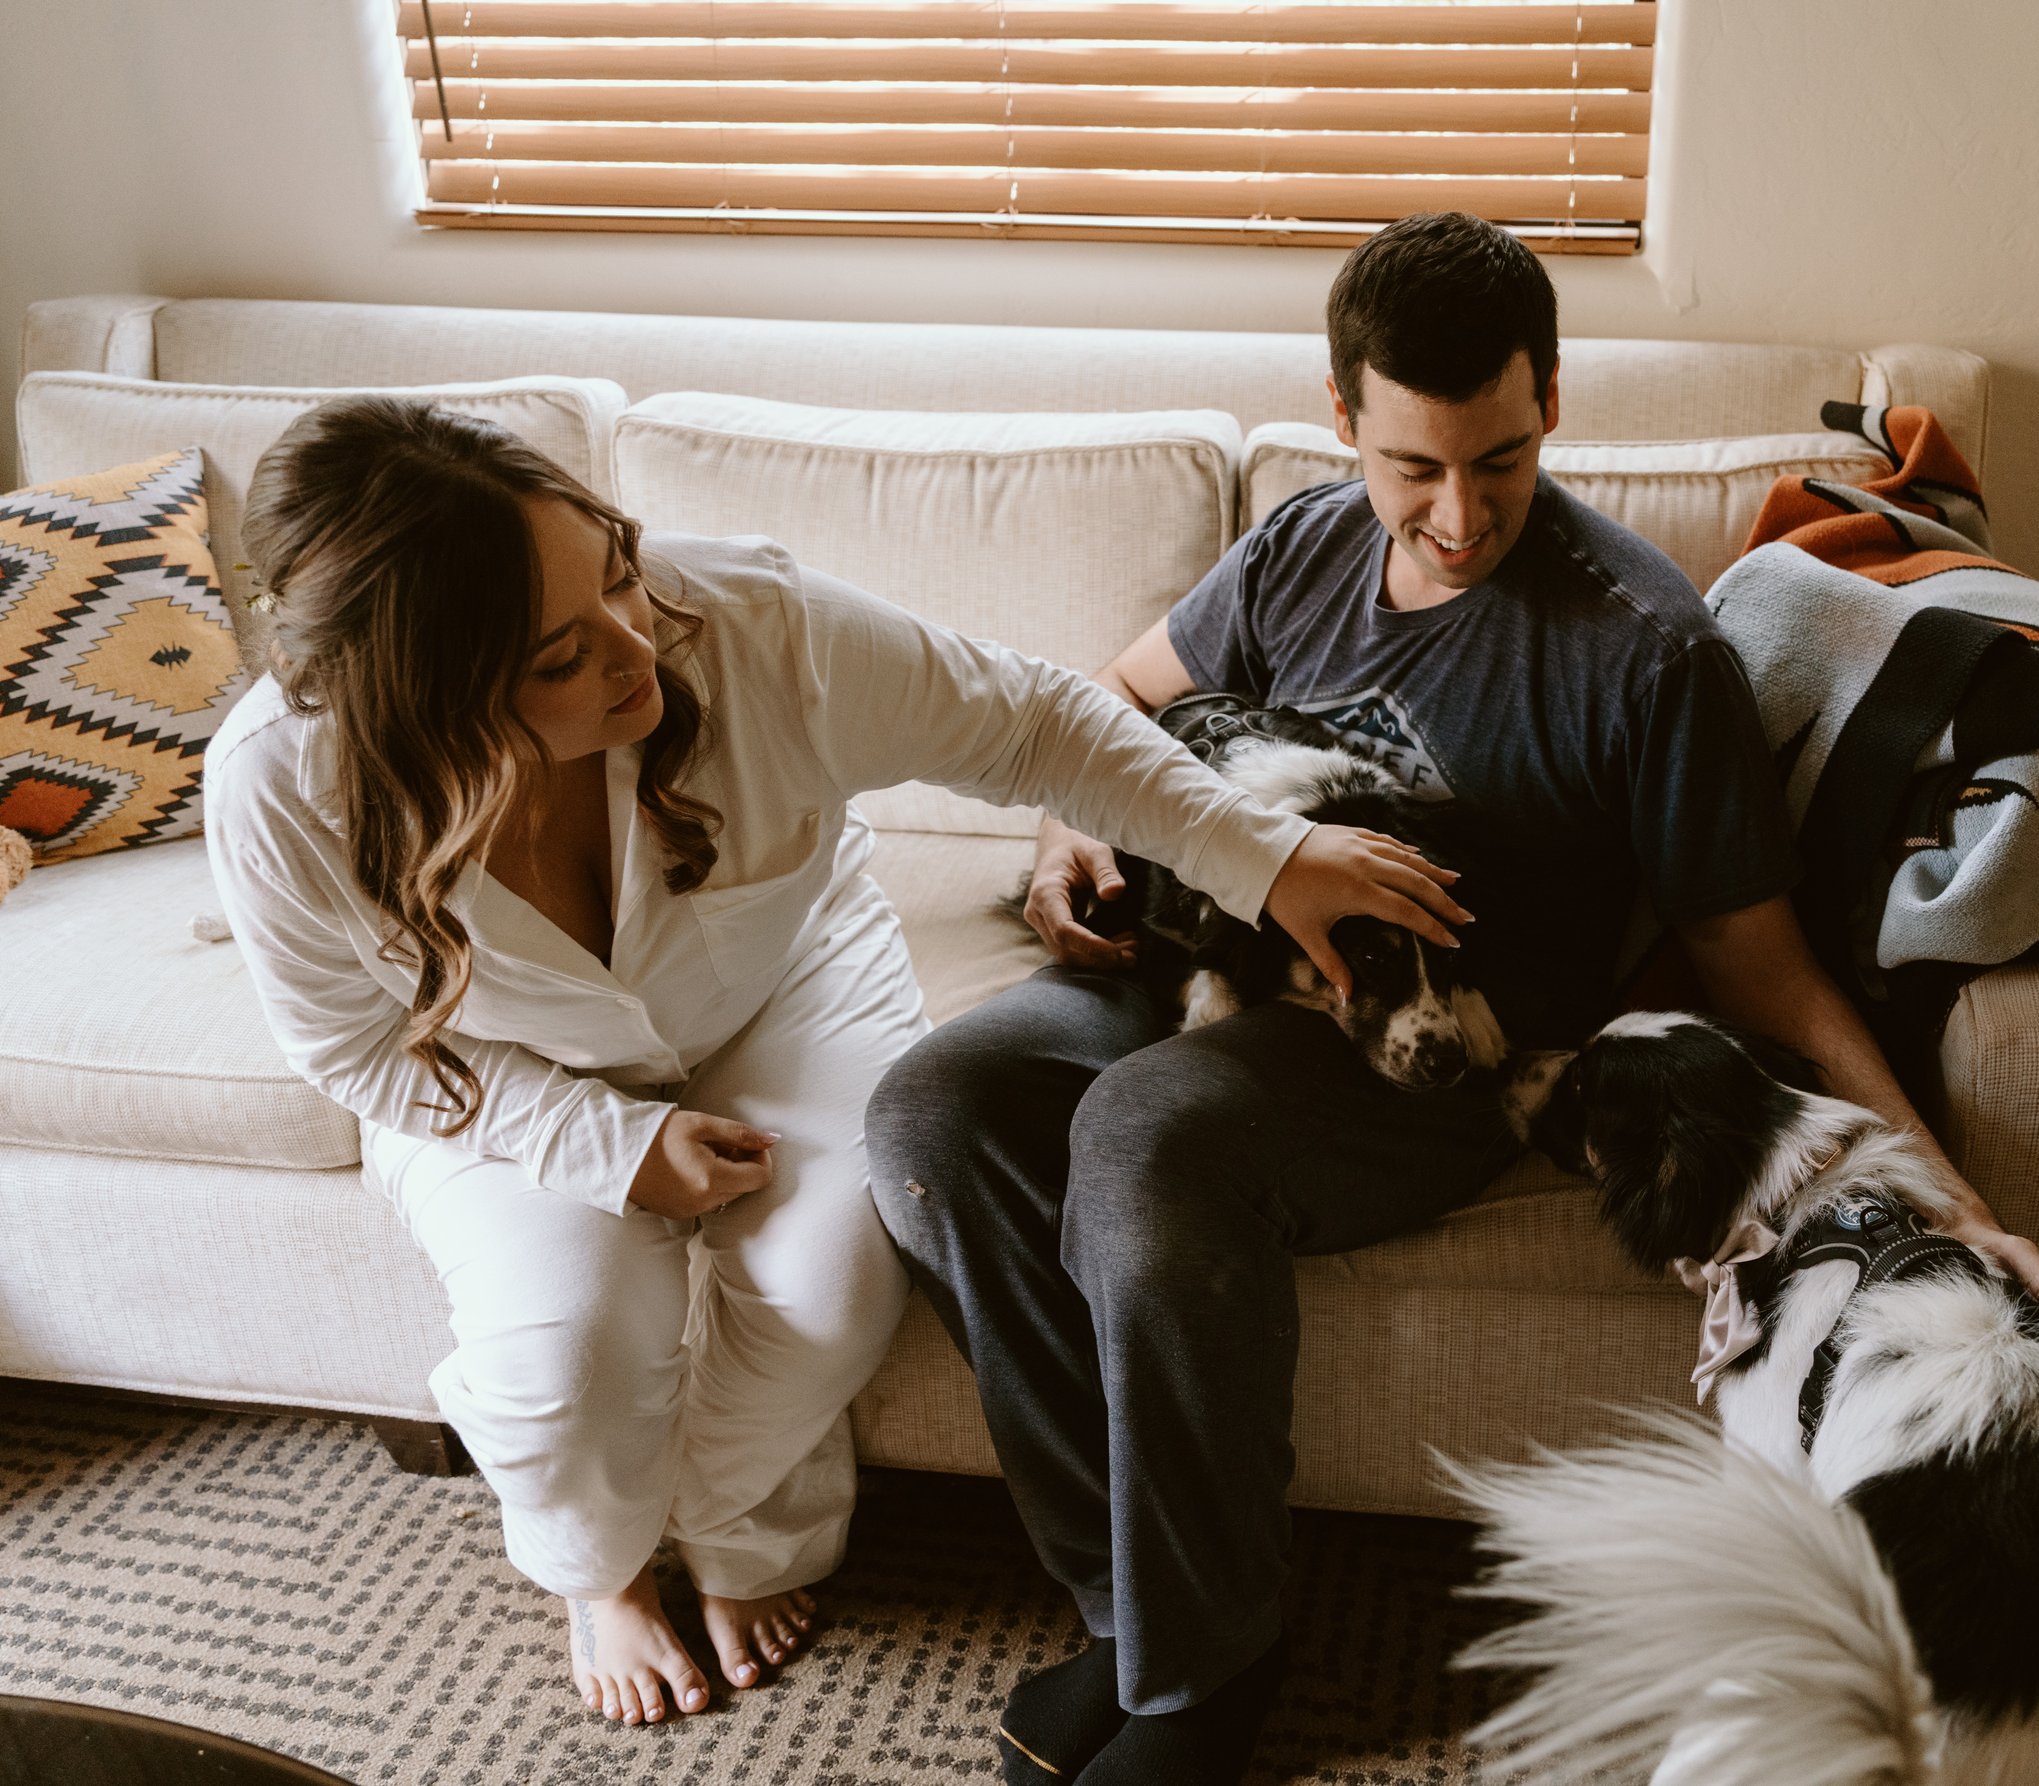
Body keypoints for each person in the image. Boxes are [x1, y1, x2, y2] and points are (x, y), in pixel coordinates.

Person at [865, 211, 2039, 1786]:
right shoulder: (1304, 544)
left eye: (1503, 460)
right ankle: (1129, 1608)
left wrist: (1949, 1192)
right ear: (1345, 422)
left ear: (1553, 403)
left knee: (1145, 1134)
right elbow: (1116, 701)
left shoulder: (1646, 651)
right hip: (1229, 964)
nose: (1461, 515)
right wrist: (1061, 835)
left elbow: (1761, 963)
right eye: (1415, 469)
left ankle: (1207, 1667)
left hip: (1436, 1053)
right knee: (930, 1108)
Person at [203, 397, 1465, 1731]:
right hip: (494, 1073)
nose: (640, 644)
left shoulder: (748, 622)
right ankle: (602, 1569)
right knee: (567, 1352)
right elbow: (354, 1046)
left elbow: (1034, 723)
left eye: (621, 570)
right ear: (438, 706)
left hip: (780, 984)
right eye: (562, 656)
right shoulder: (282, 787)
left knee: (829, 1285)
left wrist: (1264, 859)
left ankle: (729, 1525)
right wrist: (608, 1144)